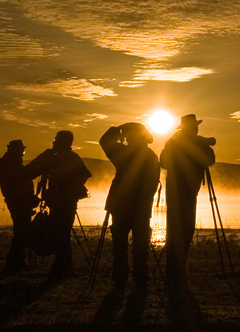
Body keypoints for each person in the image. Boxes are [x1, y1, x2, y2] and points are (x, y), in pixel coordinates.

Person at [99, 123, 160, 287]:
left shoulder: (124, 154)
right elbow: (153, 184)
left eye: (127, 137)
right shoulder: (151, 156)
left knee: (120, 242)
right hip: (140, 206)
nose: (125, 140)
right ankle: (140, 274)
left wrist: (116, 130)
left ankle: (120, 274)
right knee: (140, 242)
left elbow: (104, 141)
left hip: (121, 204)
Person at [25, 130, 92, 280]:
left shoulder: (70, 158)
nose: (54, 142)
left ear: (62, 142)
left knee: (61, 233)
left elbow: (84, 175)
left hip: (66, 202)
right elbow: (34, 170)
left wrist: (67, 187)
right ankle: (63, 266)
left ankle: (63, 267)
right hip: (59, 202)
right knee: (60, 233)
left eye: (56, 140)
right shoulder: (56, 157)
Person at [160, 114, 215, 292]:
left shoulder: (190, 141)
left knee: (185, 229)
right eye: (195, 126)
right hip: (179, 190)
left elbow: (210, 159)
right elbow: (164, 161)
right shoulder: (174, 142)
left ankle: (177, 269)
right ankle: (175, 270)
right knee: (179, 229)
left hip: (187, 191)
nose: (197, 129)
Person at [0, 139, 39, 275]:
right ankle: (12, 263)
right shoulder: (8, 165)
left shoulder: (9, 164)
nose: (23, 154)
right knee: (21, 232)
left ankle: (19, 261)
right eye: (21, 151)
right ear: (15, 151)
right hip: (18, 202)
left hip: (21, 201)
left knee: (22, 230)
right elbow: (19, 179)